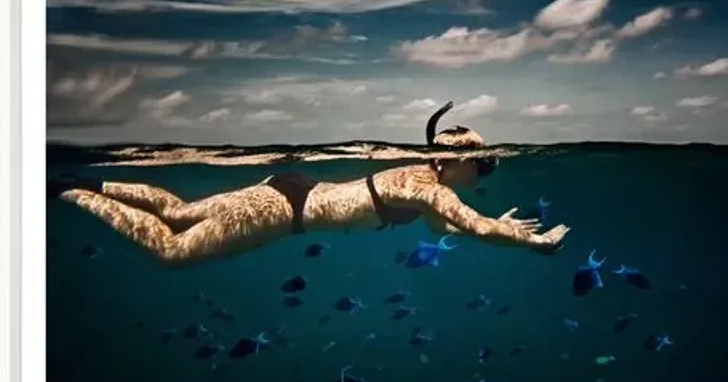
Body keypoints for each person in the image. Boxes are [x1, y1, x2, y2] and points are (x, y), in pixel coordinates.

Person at [47, 101, 570, 264]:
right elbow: (469, 227)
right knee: (171, 247)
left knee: (182, 211)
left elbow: (456, 227)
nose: (486, 170)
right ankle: (73, 191)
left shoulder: (426, 186)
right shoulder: (428, 185)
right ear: (446, 161)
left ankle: (92, 184)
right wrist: (530, 242)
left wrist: (490, 225)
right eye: (483, 163)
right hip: (284, 211)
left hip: (290, 189)